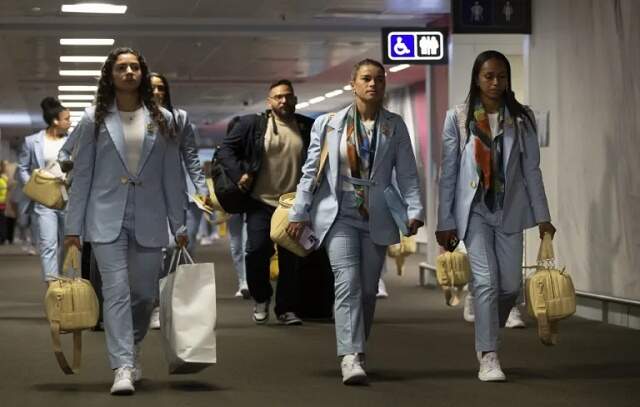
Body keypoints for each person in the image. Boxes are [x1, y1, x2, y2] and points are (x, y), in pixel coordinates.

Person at [287, 58, 424, 385]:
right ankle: (350, 356)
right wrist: (299, 211)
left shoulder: (395, 125)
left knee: (366, 289)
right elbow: (311, 172)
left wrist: (415, 209)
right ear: (353, 83)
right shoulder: (329, 123)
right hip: (339, 214)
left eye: (379, 79)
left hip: (376, 214)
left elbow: (407, 172)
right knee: (347, 281)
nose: (373, 84)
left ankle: (359, 348)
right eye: (366, 78)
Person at [64, 47, 187, 395]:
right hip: (104, 217)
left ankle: (131, 349)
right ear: (110, 75)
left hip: (150, 216)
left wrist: (179, 223)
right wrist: (73, 228)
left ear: (143, 75)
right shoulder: (93, 119)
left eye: (135, 67)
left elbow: (171, 177)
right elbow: (83, 175)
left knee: (145, 295)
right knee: (115, 293)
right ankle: (122, 365)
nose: (129, 72)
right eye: (122, 67)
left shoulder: (164, 119)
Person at [436, 50, 556, 382]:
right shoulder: (458, 118)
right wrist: (444, 221)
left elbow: (532, 170)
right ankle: (488, 354)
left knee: (509, 286)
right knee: (486, 282)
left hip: (510, 211)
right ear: (477, 78)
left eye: (501, 76)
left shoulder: (522, 118)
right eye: (488, 76)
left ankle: (490, 329)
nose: (495, 82)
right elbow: (448, 175)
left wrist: (543, 215)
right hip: (474, 210)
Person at [218, 79, 314, 326]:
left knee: (290, 257)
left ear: (294, 99)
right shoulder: (253, 124)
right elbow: (225, 150)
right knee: (256, 251)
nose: (283, 100)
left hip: (292, 204)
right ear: (269, 101)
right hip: (260, 201)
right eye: (278, 96)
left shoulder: (306, 126)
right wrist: (239, 174)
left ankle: (286, 309)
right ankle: (261, 298)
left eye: (288, 96)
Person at [147, 72, 209, 329]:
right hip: (145, 196)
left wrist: (202, 189)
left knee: (177, 247)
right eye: (152, 88)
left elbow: (191, 157)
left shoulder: (181, 119)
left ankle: (168, 302)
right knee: (152, 253)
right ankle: (153, 305)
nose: (157, 92)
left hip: (175, 194)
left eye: (161, 88)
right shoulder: (136, 119)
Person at [17, 97, 70, 282]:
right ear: (56, 121)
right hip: (44, 200)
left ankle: (64, 279)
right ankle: (53, 286)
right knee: (48, 244)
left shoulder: (72, 141)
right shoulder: (32, 141)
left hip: (66, 198)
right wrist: (33, 187)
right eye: (66, 119)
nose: (69, 122)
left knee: (67, 243)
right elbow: (22, 168)